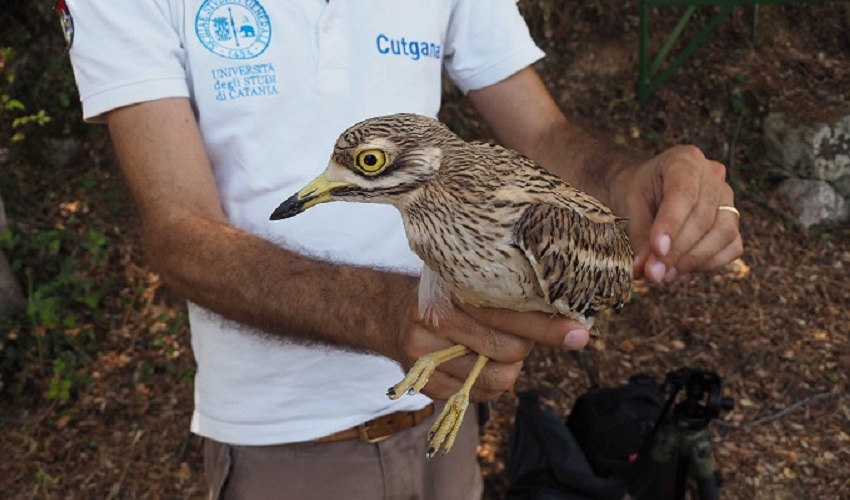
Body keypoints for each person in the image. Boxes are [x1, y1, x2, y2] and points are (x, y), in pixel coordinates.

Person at [65, 1, 742, 498]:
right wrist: (390, 316)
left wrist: (632, 184)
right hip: (291, 447)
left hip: (445, 421)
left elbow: (542, 136)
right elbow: (179, 231)